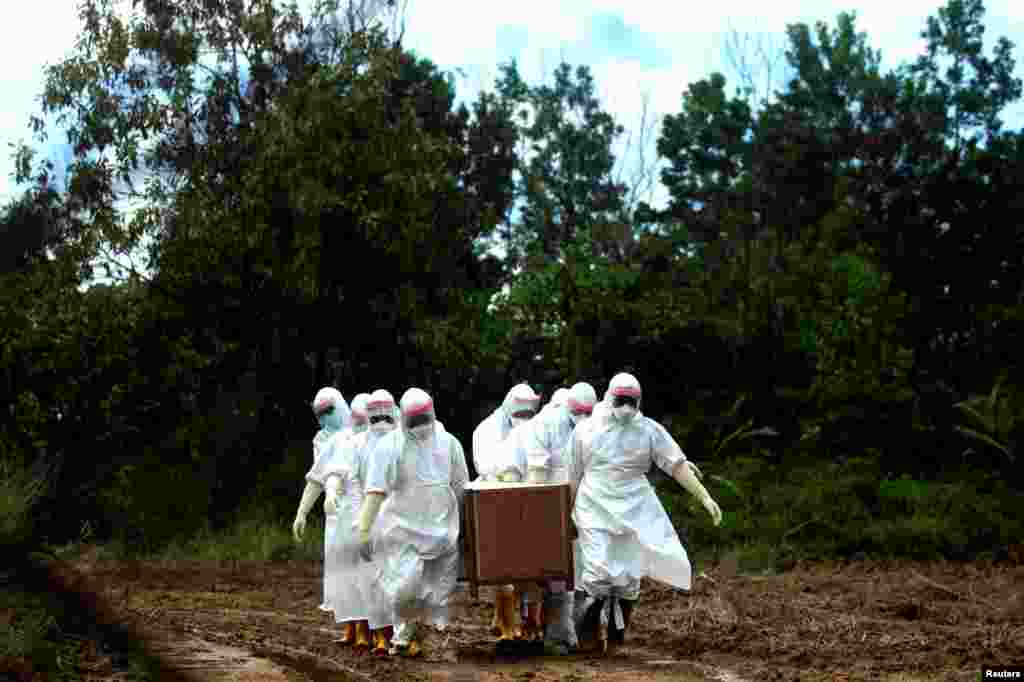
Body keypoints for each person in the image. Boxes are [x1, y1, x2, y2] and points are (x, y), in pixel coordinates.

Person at [568, 373, 723, 655]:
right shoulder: (584, 431)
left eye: (632, 401)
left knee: (628, 576)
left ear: (639, 401)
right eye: (621, 400)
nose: (626, 407)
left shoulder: (649, 430)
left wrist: (704, 496)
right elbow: (573, 477)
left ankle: (617, 635)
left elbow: (675, 464)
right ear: (610, 397)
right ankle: (587, 638)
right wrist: (565, 513)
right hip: (594, 503)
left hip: (635, 503)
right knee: (597, 570)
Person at [357, 388, 469, 658]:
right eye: (414, 421)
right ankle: (405, 631)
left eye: (423, 420)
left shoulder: (450, 443)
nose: (420, 427)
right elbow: (375, 491)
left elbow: (461, 486)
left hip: (443, 531)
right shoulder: (389, 447)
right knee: (404, 590)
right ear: (403, 419)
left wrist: (467, 526)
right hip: (402, 531)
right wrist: (364, 530)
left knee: (435, 594)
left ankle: (415, 638)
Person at [494, 381, 597, 653]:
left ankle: (575, 634)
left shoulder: (594, 426)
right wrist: (544, 518)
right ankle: (555, 638)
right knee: (555, 576)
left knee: (579, 572)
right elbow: (534, 477)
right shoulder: (543, 427)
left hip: (576, 505)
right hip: (538, 505)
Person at [327, 389, 400, 656]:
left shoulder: (404, 441)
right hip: (368, 519)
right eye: (375, 414)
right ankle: (378, 635)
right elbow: (345, 476)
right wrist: (360, 520)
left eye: (385, 413)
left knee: (400, 579)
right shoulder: (357, 444)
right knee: (371, 579)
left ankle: (401, 635)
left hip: (399, 520)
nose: (381, 420)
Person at [470, 382, 541, 638]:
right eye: (520, 414)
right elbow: (484, 464)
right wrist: (506, 474)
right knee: (504, 564)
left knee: (532, 562)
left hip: (530, 498)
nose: (525, 419)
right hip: (496, 500)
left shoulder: (539, 428)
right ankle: (507, 623)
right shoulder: (487, 429)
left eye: (529, 414)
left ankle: (527, 620)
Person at [292, 387, 352, 637]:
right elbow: (317, 477)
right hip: (335, 507)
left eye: (328, 410)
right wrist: (301, 512)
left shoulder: (362, 428)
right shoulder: (322, 440)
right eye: (320, 413)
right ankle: (346, 614)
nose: (325, 416)